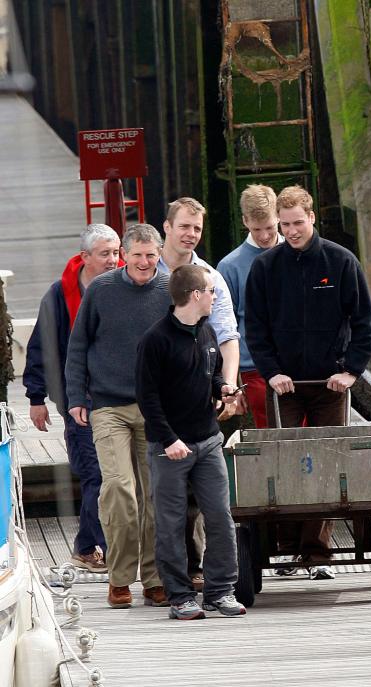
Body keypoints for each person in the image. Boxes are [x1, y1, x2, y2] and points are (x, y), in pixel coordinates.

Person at [245, 185, 371, 579]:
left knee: (327, 461)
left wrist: (350, 371)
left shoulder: (341, 261)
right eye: (284, 225)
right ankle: (285, 546)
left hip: (329, 382)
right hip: (286, 383)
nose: (291, 231)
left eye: (297, 223)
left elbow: (363, 322)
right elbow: (256, 328)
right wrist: (272, 373)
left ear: (312, 217)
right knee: (283, 462)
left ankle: (316, 552)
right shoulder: (265, 268)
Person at [65, 223, 171, 609]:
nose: (144, 262)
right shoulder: (102, 290)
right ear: (124, 254)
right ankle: (121, 578)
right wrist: (77, 396)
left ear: (159, 253)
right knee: (119, 491)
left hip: (155, 407)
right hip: (108, 406)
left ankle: (155, 577)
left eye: (151, 254)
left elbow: (187, 344)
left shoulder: (169, 289)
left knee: (156, 496)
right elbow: (78, 347)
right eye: (137, 254)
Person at [135, 264, 245, 620]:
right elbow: (147, 398)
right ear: (195, 295)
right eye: (211, 290)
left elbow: (211, 374)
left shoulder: (206, 331)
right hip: (169, 448)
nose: (215, 296)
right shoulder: (155, 340)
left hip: (208, 440)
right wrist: (169, 440)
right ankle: (179, 596)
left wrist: (222, 388)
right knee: (170, 522)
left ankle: (220, 591)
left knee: (220, 516)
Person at [23, 223, 121, 572]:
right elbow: (40, 347)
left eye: (116, 252)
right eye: (105, 254)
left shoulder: (124, 286)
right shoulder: (58, 294)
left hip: (118, 395)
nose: (114, 260)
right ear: (85, 257)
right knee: (95, 474)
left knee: (113, 475)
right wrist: (36, 397)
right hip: (77, 398)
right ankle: (110, 549)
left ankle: (83, 546)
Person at [159, 196, 242, 589]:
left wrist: (226, 387)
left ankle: (209, 576)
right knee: (165, 502)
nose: (191, 235)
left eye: (197, 228)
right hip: (157, 398)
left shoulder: (211, 277)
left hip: (200, 398)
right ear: (167, 227)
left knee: (209, 498)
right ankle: (164, 581)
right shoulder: (146, 269)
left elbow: (225, 335)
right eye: (184, 226)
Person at [217, 184, 284, 428]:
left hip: (299, 366)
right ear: (245, 221)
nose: (265, 236)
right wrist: (233, 381)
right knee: (269, 440)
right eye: (257, 230)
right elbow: (225, 326)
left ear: (278, 216)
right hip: (253, 370)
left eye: (269, 227)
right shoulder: (229, 267)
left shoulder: (299, 253)